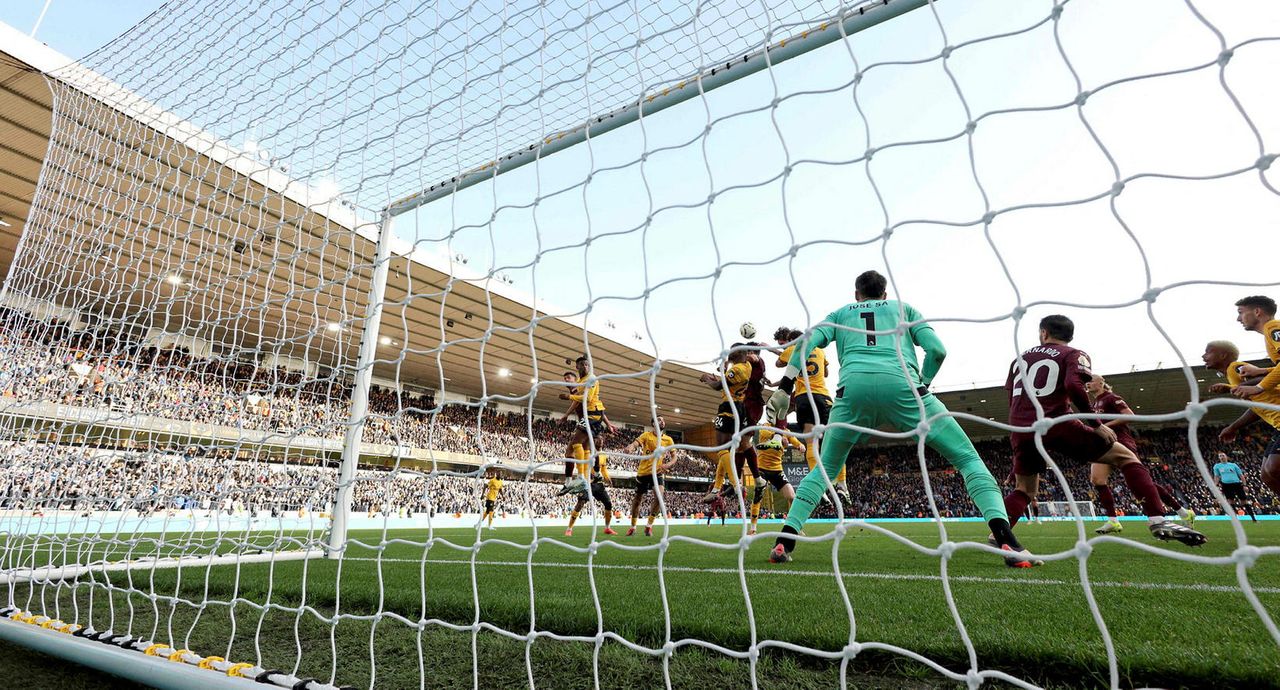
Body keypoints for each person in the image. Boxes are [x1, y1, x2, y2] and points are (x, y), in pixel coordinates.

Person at [766, 270, 1035, 566]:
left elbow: (807, 341)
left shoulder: (840, 313)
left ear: (856, 295)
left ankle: (785, 539)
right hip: (905, 387)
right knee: (968, 459)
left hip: (852, 391)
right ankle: (1006, 540)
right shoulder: (904, 309)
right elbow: (937, 351)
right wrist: (923, 383)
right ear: (885, 294)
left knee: (826, 467)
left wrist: (786, 386)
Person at [1000, 315, 1205, 546]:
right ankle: (1158, 518)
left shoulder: (1019, 359)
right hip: (1057, 422)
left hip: (1021, 428)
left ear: (1043, 333)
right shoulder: (1075, 354)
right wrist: (1096, 424)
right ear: (1070, 335)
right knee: (1125, 457)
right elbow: (1072, 385)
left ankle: (998, 536)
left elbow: (1010, 396)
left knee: (1025, 489)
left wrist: (1017, 439)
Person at [1086, 374, 1194, 534]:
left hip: (1121, 442)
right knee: (1097, 479)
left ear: (1101, 383)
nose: (1087, 384)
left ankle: (1182, 512)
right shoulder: (1094, 404)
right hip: (1104, 444)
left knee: (1140, 482)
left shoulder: (1111, 397)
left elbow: (1129, 415)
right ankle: (1113, 521)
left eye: (1090, 381)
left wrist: (1105, 426)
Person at [774, 327, 848, 505]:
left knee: (811, 444)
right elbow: (826, 373)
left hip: (804, 398)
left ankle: (818, 488)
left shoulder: (793, 350)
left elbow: (779, 364)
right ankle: (842, 485)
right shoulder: (819, 351)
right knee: (834, 440)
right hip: (823, 397)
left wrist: (784, 350)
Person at [1224, 296, 1280, 497]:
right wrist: (1262, 371)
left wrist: (1259, 387)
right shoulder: (1269, 334)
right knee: (1267, 475)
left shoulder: (1273, 327)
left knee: (1273, 469)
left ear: (1257, 312)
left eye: (1241, 312)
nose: (1238, 319)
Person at [700, 348, 760, 501]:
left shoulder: (737, 369)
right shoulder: (747, 366)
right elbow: (726, 383)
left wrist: (706, 379)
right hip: (739, 409)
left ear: (738, 353)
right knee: (726, 449)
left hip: (729, 407)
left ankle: (736, 484)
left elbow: (719, 386)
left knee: (721, 448)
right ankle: (716, 488)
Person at [559, 356, 617, 495]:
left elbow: (589, 399)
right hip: (589, 416)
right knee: (583, 449)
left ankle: (585, 478)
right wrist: (566, 415)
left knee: (578, 445)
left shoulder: (589, 379)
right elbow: (580, 403)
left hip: (592, 416)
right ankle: (584, 479)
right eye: (565, 378)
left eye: (587, 364)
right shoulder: (580, 383)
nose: (567, 380)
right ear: (577, 366)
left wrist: (569, 397)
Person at [747, 416, 803, 535]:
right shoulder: (765, 427)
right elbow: (768, 435)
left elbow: (795, 441)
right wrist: (780, 438)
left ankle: (793, 525)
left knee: (792, 496)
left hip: (777, 470)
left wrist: (800, 446)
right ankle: (753, 528)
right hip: (762, 469)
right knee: (758, 497)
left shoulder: (786, 432)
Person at [622, 417, 676, 537]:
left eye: (663, 420)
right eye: (659, 420)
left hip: (657, 472)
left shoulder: (668, 439)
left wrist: (668, 464)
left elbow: (674, 457)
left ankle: (649, 526)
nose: (662, 421)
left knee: (660, 497)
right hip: (643, 472)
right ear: (653, 424)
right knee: (637, 500)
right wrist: (630, 447)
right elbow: (635, 444)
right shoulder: (646, 435)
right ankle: (633, 527)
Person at [564, 451, 616, 537]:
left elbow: (603, 469)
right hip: (587, 482)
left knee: (608, 503)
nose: (600, 441)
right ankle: (569, 529)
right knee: (580, 504)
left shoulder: (602, 455)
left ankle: (607, 528)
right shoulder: (587, 452)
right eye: (598, 439)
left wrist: (607, 478)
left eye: (602, 439)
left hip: (598, 484)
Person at [1211, 451, 1257, 522]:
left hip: (1237, 484)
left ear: (1226, 456)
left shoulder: (1233, 465)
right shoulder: (1217, 466)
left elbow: (1241, 475)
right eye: (1220, 456)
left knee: (1244, 502)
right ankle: (1235, 519)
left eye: (1223, 455)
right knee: (1230, 501)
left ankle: (1253, 519)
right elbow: (1216, 477)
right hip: (1226, 485)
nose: (1222, 457)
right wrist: (1215, 485)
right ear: (1219, 458)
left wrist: (1245, 485)